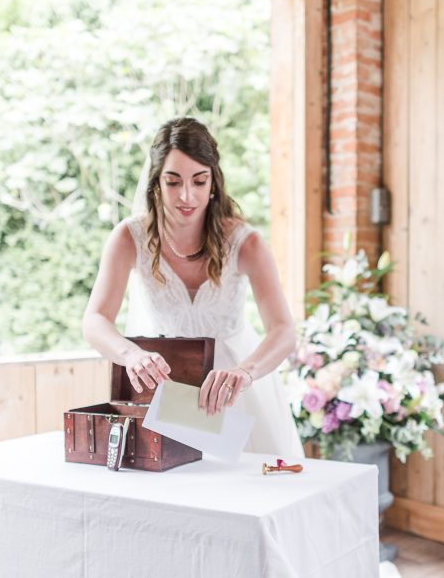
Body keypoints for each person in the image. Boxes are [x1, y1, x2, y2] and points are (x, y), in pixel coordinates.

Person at [82, 116, 303, 458]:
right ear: (156, 184)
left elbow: (284, 331)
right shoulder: (128, 238)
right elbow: (94, 320)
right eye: (173, 182)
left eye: (199, 181)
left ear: (213, 183)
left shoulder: (246, 243)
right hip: (170, 389)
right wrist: (131, 355)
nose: (187, 196)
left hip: (235, 388)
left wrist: (245, 372)